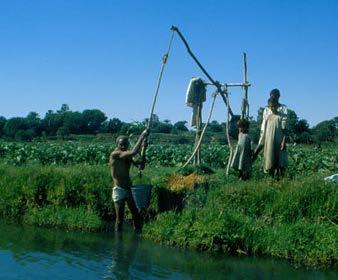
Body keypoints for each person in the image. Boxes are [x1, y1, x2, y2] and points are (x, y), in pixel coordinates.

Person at [109, 129, 149, 232]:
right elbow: (134, 152)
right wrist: (142, 135)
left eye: (125, 144)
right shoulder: (115, 154)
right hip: (119, 189)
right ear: (117, 144)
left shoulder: (127, 155)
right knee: (119, 219)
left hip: (128, 189)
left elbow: (141, 165)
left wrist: (144, 149)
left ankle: (138, 235)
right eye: (121, 144)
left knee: (136, 214)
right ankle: (118, 243)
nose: (123, 146)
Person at [253, 97, 288, 177]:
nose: (273, 108)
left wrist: (283, 141)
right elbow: (264, 130)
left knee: (279, 160)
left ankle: (280, 178)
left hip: (278, 141)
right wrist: (263, 141)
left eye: (274, 106)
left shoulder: (281, 117)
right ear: (269, 107)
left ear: (277, 106)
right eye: (271, 106)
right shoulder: (267, 117)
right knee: (269, 159)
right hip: (269, 142)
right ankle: (271, 178)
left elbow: (284, 130)